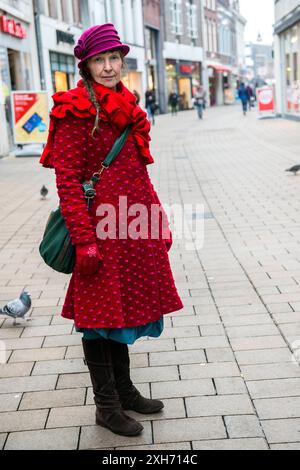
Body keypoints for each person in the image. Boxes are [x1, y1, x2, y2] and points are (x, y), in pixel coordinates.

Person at [39, 23, 184, 439]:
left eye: (114, 58)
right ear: (85, 66)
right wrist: (84, 240)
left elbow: (137, 168)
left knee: (117, 313)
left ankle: (124, 389)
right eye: (99, 60)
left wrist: (156, 220)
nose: (108, 67)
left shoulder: (125, 101)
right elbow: (68, 180)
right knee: (97, 318)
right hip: (99, 230)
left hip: (131, 228)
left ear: (123, 60)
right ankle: (106, 406)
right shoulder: (75, 108)